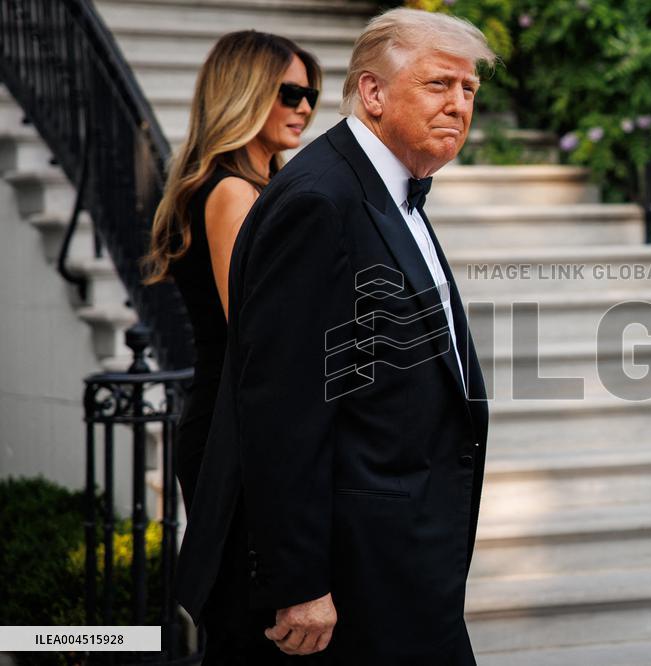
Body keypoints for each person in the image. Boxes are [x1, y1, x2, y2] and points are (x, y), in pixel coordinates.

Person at [173, 8, 494, 664]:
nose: (459, 104)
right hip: (351, 572)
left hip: (400, 552)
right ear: (373, 93)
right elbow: (282, 404)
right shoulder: (319, 200)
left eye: (469, 90)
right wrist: (299, 582)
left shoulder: (385, 187)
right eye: (439, 84)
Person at [140, 30, 321, 662]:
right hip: (234, 426)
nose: (304, 106)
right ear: (244, 93)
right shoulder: (232, 193)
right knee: (251, 626)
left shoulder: (249, 188)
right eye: (290, 91)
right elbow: (260, 332)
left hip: (234, 416)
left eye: (312, 94)